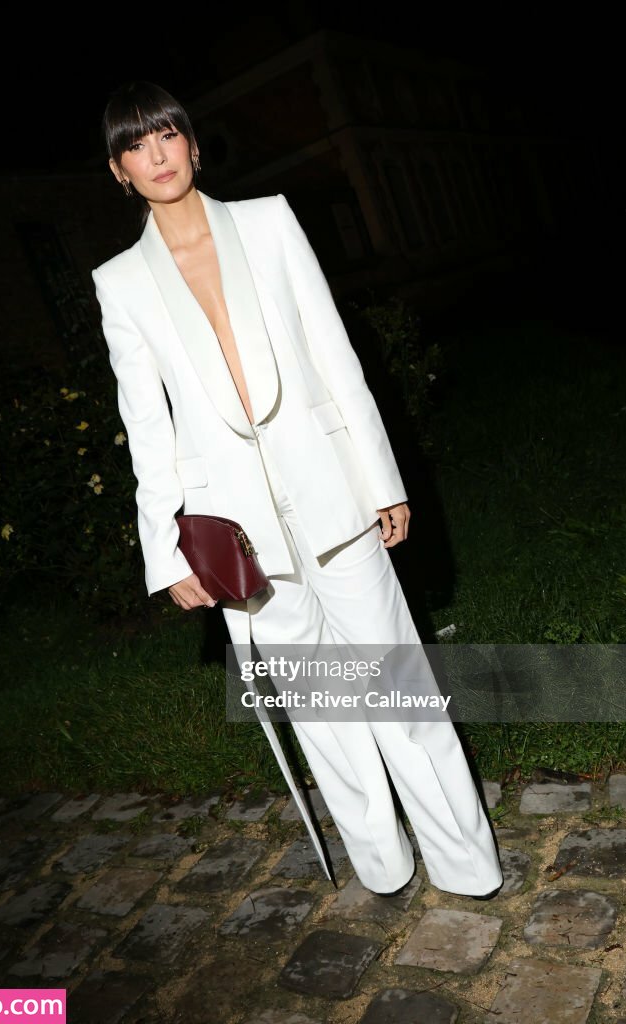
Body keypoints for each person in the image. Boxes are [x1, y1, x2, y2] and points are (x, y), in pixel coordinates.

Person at [92, 80, 503, 899]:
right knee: (320, 707)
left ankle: (465, 862)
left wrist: (379, 477)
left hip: (332, 493)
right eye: (136, 145)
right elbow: (146, 425)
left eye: (167, 134)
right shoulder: (120, 281)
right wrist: (164, 550)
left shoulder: (269, 222)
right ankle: (381, 863)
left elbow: (333, 353)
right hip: (233, 530)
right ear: (119, 171)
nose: (157, 155)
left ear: (193, 144)